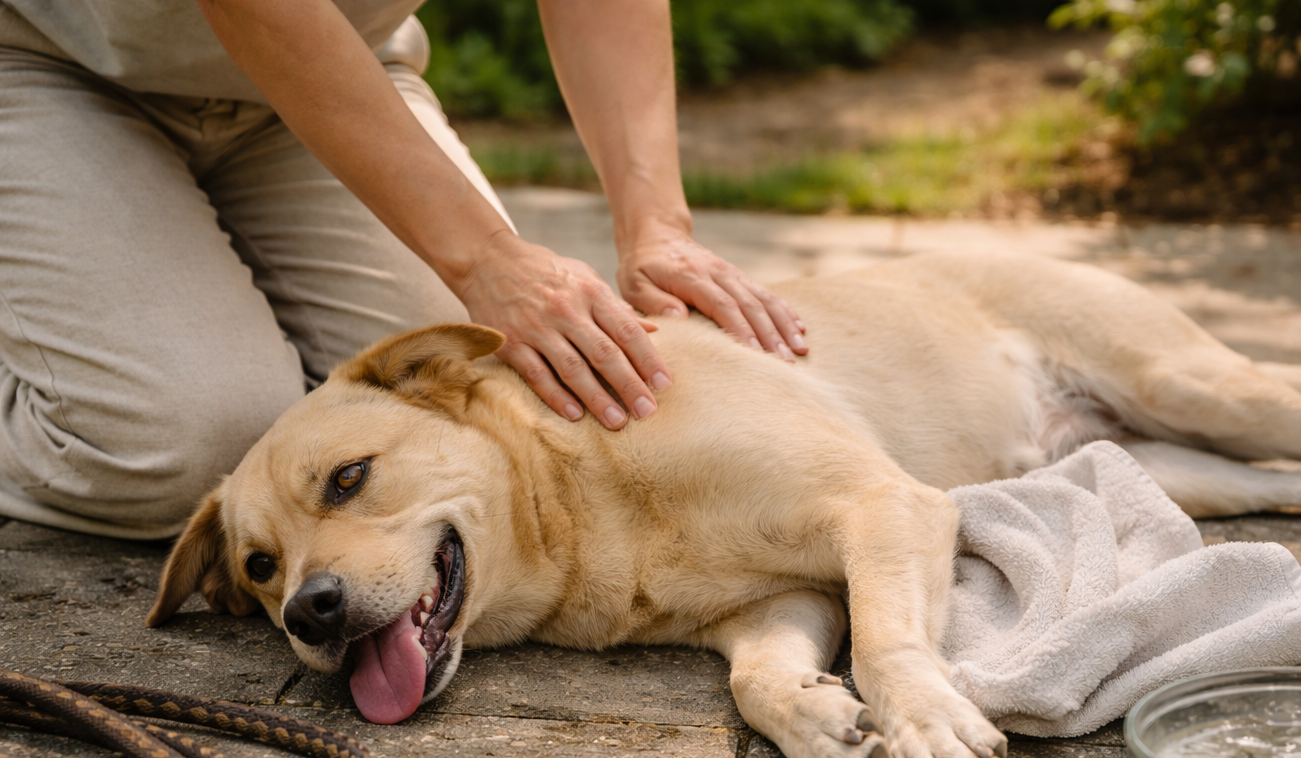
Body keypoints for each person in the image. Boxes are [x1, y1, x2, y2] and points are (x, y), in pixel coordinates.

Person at [0, 0, 803, 540]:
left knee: (469, 392)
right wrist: (487, 260)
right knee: (191, 450)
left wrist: (656, 227)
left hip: (336, 72)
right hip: (40, 63)